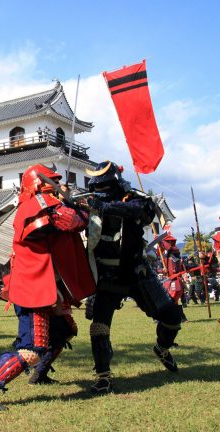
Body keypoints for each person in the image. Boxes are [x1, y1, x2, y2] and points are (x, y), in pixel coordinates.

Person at [0, 164, 95, 411]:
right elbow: (70, 221)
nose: (58, 185)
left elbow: (79, 220)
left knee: (63, 332)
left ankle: (40, 374)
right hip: (34, 290)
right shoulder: (32, 207)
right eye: (54, 181)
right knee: (32, 349)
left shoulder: (51, 205)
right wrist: (72, 204)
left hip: (50, 287)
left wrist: (73, 204)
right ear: (39, 183)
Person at [83, 161, 182, 394]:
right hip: (106, 275)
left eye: (105, 185)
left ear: (116, 182)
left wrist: (104, 206)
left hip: (136, 272)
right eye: (97, 186)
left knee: (172, 317)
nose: (100, 190)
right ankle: (103, 376)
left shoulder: (136, 199)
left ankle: (162, 348)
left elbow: (140, 212)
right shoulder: (89, 201)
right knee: (99, 328)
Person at [161, 234, 188, 322]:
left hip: (175, 280)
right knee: (172, 300)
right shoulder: (167, 254)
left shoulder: (174, 250)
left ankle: (167, 317)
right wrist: (163, 270)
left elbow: (175, 269)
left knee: (171, 300)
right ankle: (182, 317)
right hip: (169, 280)